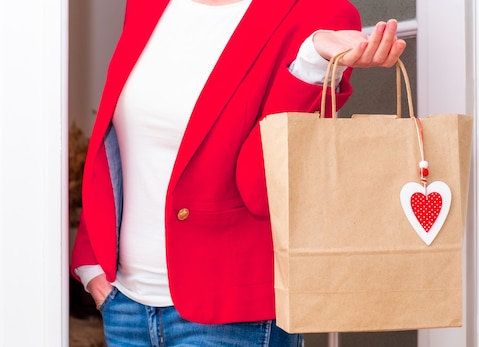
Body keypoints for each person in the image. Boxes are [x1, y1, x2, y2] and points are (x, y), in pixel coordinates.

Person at [71, 0, 406, 345]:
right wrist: (91, 261)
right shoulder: (147, 5)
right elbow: (115, 146)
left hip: (232, 318)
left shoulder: (316, 13)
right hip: (124, 305)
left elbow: (263, 189)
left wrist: (311, 64)